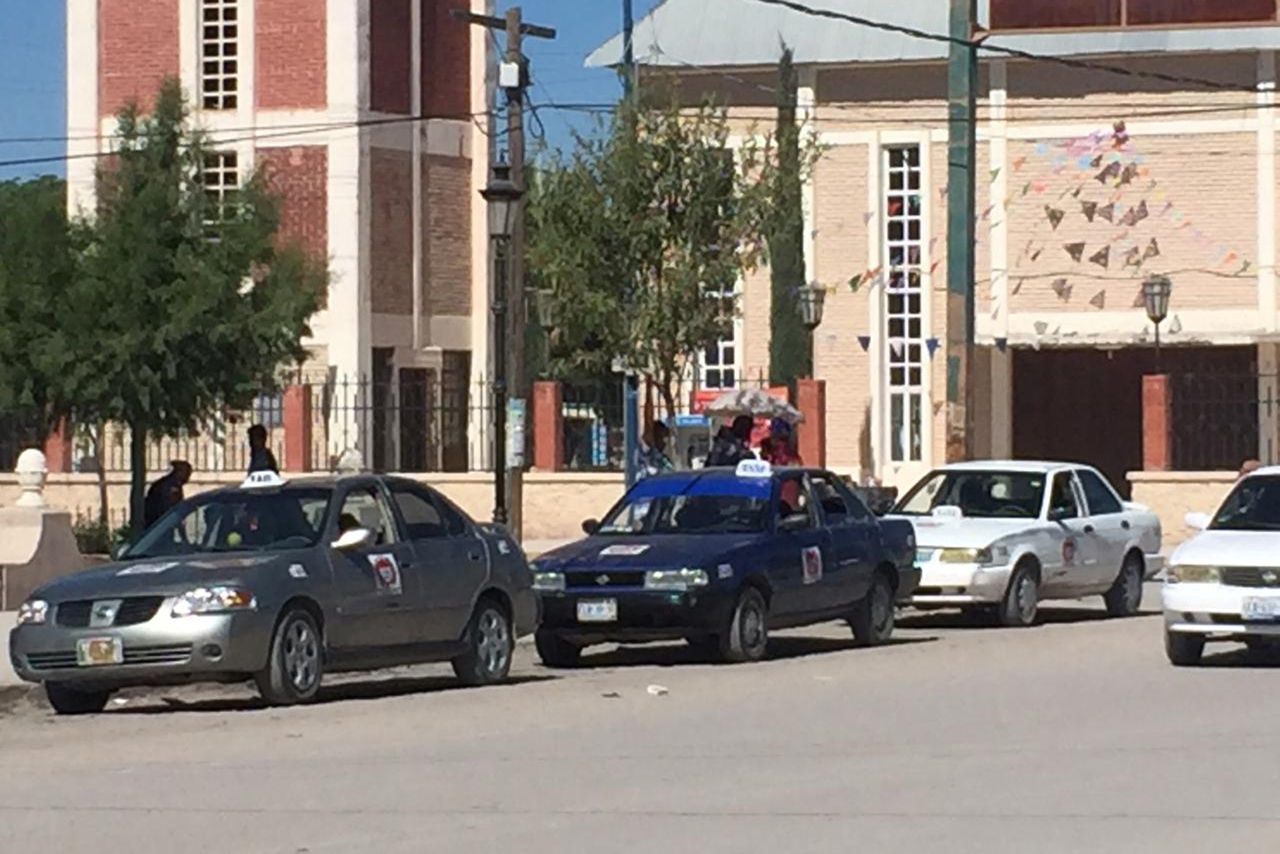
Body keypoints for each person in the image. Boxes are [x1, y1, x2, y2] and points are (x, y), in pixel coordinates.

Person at [143, 460, 192, 528]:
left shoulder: (173, 484)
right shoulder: (169, 486)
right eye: (187, 473)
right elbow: (169, 508)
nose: (188, 476)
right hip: (158, 524)